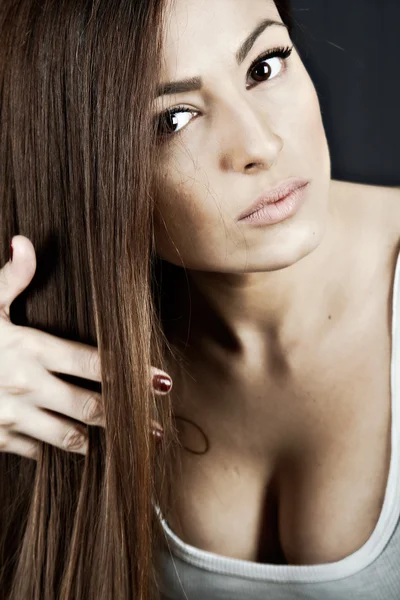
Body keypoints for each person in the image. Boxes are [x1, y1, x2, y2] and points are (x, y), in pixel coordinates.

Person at [1, 0, 400, 598]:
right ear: (85, 170)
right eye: (174, 119)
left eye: (265, 66)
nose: (260, 143)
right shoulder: (50, 354)